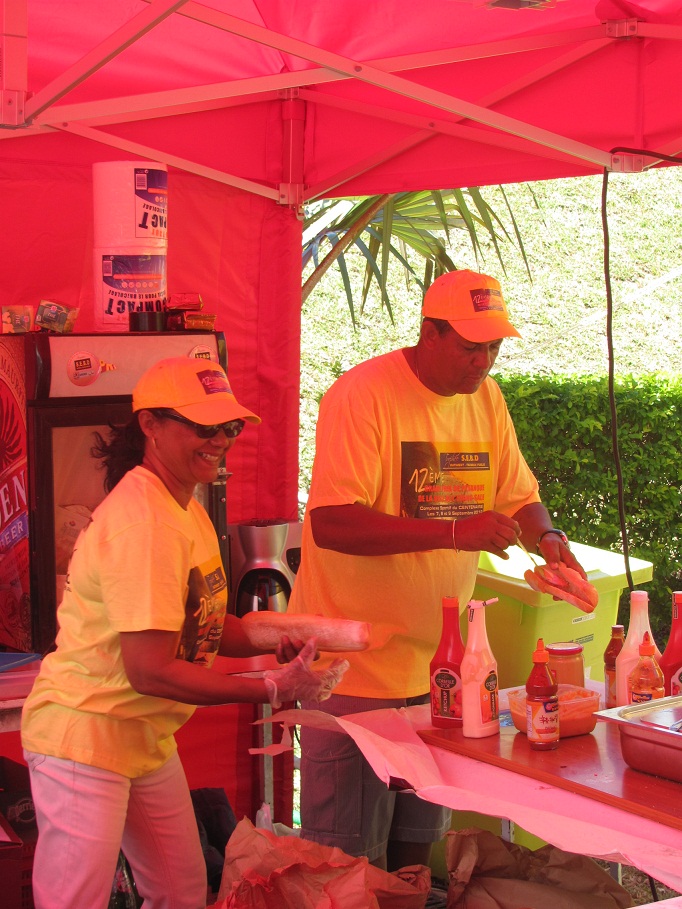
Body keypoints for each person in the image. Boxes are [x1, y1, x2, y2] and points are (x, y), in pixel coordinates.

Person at [287, 269, 588, 872]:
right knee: (344, 863)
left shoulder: (488, 398)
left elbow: (518, 493)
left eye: (494, 348)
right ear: (429, 332)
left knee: (416, 855)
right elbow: (332, 524)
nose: (483, 362)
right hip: (353, 674)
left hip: (443, 669)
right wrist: (455, 532)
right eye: (470, 347)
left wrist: (550, 540)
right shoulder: (362, 394)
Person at [21, 356, 348, 909]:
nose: (220, 440)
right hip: (88, 735)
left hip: (143, 738)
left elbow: (204, 625)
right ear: (150, 424)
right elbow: (150, 670)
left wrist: (279, 641)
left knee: (181, 890)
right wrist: (269, 689)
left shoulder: (186, 505)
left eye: (230, 427)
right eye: (203, 426)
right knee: (75, 900)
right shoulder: (144, 521)